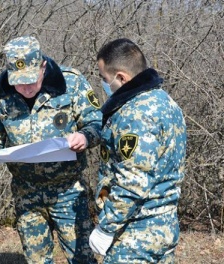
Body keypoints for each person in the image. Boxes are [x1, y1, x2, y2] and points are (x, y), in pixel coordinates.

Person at [0, 36, 102, 263]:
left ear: (43, 67)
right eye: (18, 81)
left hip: (68, 190)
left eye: (30, 80)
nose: (25, 88)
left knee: (82, 258)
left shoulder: (71, 83)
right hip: (27, 193)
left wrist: (85, 137)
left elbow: (96, 124)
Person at [89, 38, 187, 263]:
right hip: (163, 226)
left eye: (105, 79)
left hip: (135, 236)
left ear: (121, 77)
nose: (104, 84)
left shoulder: (135, 114)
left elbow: (132, 182)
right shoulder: (165, 102)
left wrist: (106, 227)